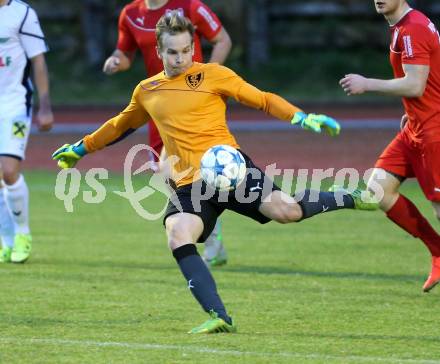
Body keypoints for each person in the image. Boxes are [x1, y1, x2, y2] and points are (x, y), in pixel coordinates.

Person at [53, 12, 377, 333]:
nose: (180, 58)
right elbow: (120, 125)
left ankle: (352, 197)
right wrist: (81, 148)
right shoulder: (147, 90)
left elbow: (262, 100)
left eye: (186, 50)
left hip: (231, 170)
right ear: (159, 51)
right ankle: (219, 316)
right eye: (172, 52)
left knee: (287, 211)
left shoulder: (213, 74)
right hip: (190, 184)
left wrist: (302, 118)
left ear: (193, 46)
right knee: (178, 233)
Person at [102, 0, 232, 267]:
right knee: (168, 174)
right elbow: (125, 53)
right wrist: (116, 61)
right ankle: (211, 236)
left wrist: (206, 80)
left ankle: (202, 238)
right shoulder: (131, 13)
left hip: (191, 103)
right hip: (159, 104)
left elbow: (223, 40)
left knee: (186, 169)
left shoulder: (190, 6)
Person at [339, 0, 440, 292]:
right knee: (378, 188)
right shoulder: (404, 26)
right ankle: (437, 250)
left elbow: (415, 85)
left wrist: (367, 83)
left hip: (433, 131)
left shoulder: (413, 29)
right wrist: (412, 111)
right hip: (414, 127)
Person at [0, 0, 54, 263]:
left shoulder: (21, 13)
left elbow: (38, 61)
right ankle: (6, 242)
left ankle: (23, 233)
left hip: (15, 103)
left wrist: (45, 107)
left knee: (8, 171)